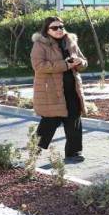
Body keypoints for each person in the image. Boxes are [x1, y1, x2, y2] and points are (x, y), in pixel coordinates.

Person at [30, 17, 87, 163]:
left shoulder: (70, 41)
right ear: (47, 30)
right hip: (51, 90)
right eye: (54, 28)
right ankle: (34, 150)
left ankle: (74, 153)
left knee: (74, 120)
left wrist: (80, 62)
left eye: (61, 27)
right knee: (50, 121)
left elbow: (83, 61)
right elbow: (39, 66)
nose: (59, 30)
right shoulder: (40, 44)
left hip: (72, 89)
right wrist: (65, 65)